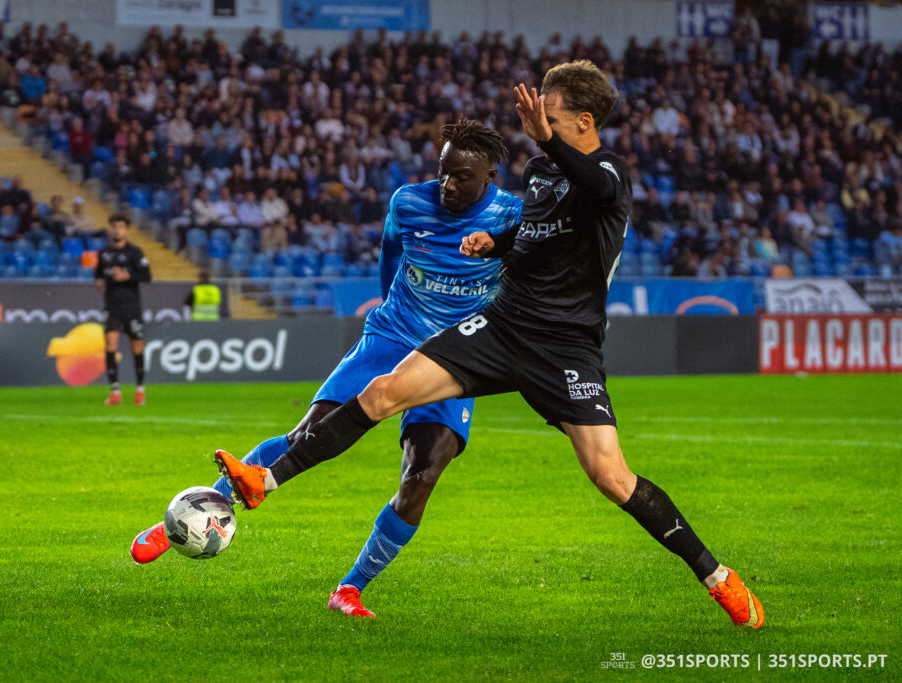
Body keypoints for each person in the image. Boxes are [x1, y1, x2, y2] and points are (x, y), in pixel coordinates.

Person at [216, 63, 765, 629]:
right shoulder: (541, 169)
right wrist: (496, 242)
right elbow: (536, 235)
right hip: (502, 327)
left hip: (565, 348)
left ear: (584, 121)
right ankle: (264, 480)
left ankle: (718, 577)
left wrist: (548, 143)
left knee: (611, 476)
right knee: (383, 392)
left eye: (550, 116)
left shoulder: (608, 173)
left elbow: (596, 188)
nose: (538, 123)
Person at [130, 121, 523, 620]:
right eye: (443, 172)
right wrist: (393, 311)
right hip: (393, 335)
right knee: (308, 433)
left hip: (455, 354)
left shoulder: (512, 215)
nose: (447, 184)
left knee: (422, 473)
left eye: (461, 177)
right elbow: (390, 255)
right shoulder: (409, 202)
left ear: (490, 175)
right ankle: (180, 522)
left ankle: (351, 589)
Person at [94, 215, 152, 406]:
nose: (117, 230)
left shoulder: (135, 252)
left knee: (137, 346)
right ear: (110, 229)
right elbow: (99, 272)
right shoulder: (104, 253)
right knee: (110, 342)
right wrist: (99, 281)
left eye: (121, 227)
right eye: (114, 227)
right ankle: (115, 392)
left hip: (131, 306)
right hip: (112, 306)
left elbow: (146, 275)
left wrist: (127, 276)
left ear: (126, 230)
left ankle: (140, 390)